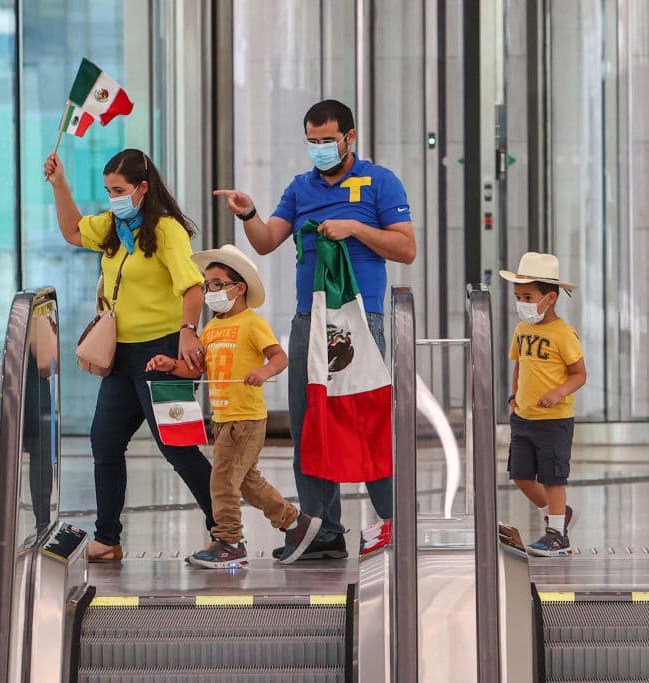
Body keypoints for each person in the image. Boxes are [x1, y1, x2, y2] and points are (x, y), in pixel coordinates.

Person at [213, 100, 416, 560]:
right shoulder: (300, 188)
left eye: (328, 140)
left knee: (364, 417)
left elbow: (406, 249)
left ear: (350, 137)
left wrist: (355, 229)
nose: (320, 148)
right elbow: (267, 241)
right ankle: (323, 531)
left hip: (359, 320)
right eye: (313, 141)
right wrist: (248, 214)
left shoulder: (379, 182)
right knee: (310, 424)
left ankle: (394, 522)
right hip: (309, 320)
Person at [44, 148, 214, 562]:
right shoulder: (113, 225)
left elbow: (192, 287)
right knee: (104, 441)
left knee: (177, 446)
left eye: (118, 190)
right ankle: (107, 538)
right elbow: (71, 231)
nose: (112, 197)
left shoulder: (167, 230)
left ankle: (224, 529)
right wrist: (60, 183)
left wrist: (188, 333)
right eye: (107, 190)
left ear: (142, 188)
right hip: (121, 356)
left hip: (161, 353)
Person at [147, 245, 325, 567]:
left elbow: (279, 357)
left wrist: (263, 371)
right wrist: (171, 365)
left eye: (217, 284)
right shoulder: (211, 329)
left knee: (223, 480)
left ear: (238, 288)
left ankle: (229, 540)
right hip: (222, 418)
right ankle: (296, 524)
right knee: (247, 482)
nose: (209, 291)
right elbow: (196, 369)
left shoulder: (252, 323)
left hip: (246, 418)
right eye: (206, 285)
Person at [499, 252, 586, 556]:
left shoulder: (563, 334)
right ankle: (559, 515)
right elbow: (519, 366)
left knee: (552, 477)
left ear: (550, 298)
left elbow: (579, 374)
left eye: (528, 296)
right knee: (522, 477)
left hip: (554, 420)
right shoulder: (522, 330)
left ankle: (558, 536)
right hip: (523, 418)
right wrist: (513, 397)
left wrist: (558, 393)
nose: (521, 302)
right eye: (518, 296)